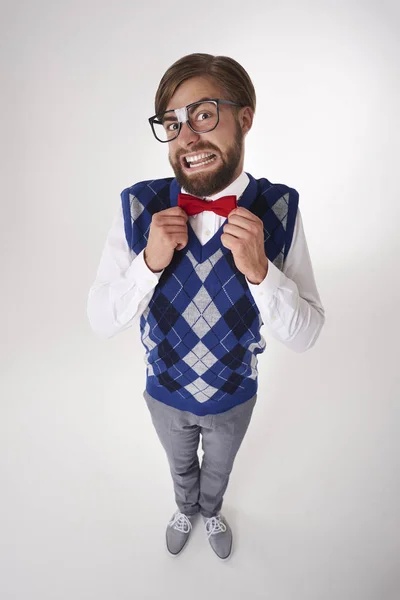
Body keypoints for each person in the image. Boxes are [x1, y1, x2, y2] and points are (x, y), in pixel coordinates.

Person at [87, 53, 325, 561]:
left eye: (203, 114)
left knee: (219, 467)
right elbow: (100, 318)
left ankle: (211, 510)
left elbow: (307, 334)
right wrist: (147, 265)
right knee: (179, 466)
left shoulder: (280, 209)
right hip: (164, 393)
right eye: (173, 123)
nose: (188, 137)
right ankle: (183, 506)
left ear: (245, 117)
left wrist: (262, 271)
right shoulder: (137, 206)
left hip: (235, 395)